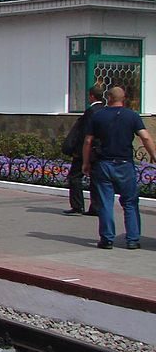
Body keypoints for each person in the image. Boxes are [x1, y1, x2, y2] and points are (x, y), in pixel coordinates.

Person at [83, 86, 156, 249]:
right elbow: (145, 137)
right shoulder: (132, 116)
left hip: (103, 163)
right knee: (130, 202)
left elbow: (88, 141)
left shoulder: (98, 116)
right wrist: (153, 154)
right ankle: (132, 239)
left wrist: (85, 163)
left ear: (108, 98)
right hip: (124, 164)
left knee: (105, 202)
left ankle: (107, 239)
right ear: (123, 98)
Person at [63, 85, 105, 215]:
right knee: (95, 179)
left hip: (86, 150)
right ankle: (96, 207)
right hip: (99, 150)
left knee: (75, 177)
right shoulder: (105, 111)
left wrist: (77, 150)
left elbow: (84, 134)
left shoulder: (90, 112)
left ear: (91, 96)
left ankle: (77, 206)